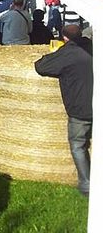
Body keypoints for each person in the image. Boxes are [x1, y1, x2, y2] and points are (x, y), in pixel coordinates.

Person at [35, 25, 93, 196]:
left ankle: (86, 184)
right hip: (96, 104)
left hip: (80, 109)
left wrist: (57, 52)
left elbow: (41, 66)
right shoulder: (93, 48)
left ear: (64, 38)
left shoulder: (68, 53)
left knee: (77, 145)